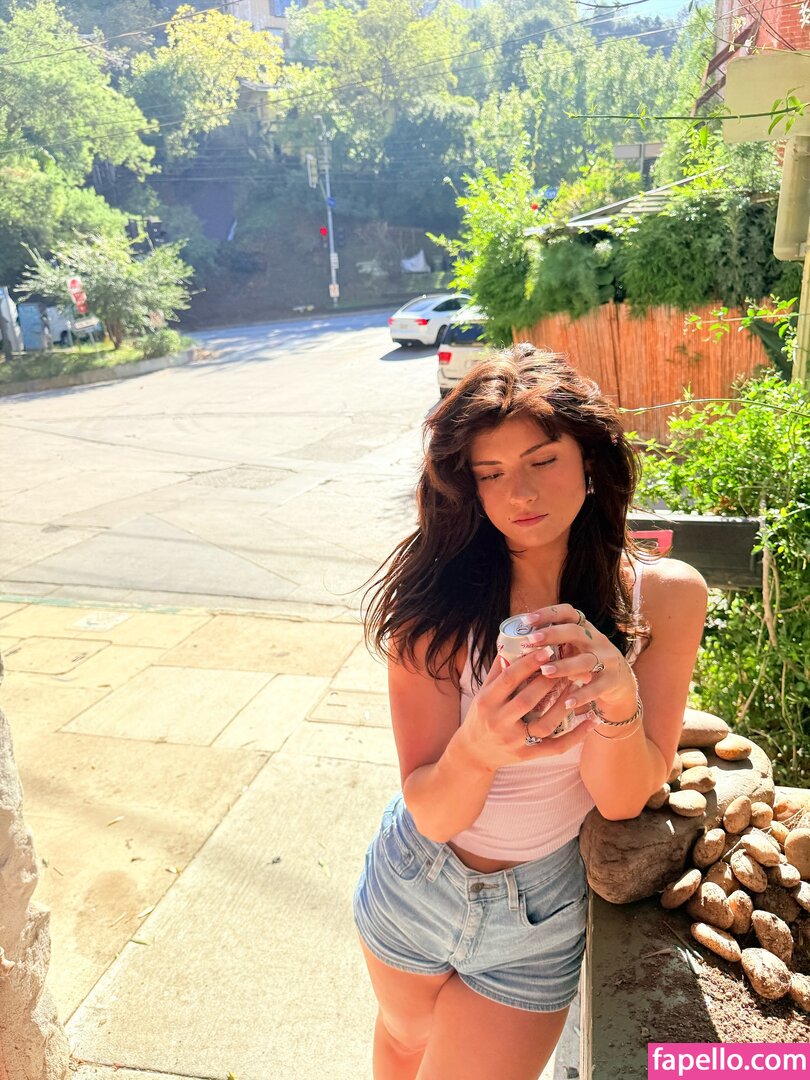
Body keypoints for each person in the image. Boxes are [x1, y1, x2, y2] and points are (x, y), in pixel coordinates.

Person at [353, 344, 708, 1080]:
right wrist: (478, 747)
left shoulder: (663, 597)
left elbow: (622, 797)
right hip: (416, 877)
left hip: (539, 911)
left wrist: (616, 696)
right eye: (491, 473)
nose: (520, 491)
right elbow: (434, 811)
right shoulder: (437, 608)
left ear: (590, 462)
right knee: (402, 1042)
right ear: (469, 489)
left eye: (543, 460)